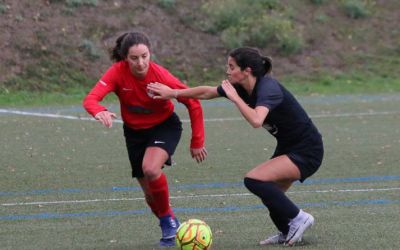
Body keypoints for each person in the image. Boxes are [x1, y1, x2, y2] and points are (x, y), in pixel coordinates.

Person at [147, 47, 324, 246]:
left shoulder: (268, 88)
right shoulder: (239, 86)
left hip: (307, 150)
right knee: (271, 192)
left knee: (254, 180)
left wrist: (235, 98)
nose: (228, 71)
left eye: (232, 67)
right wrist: (173, 92)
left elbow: (257, 120)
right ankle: (286, 230)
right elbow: (206, 92)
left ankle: (299, 218)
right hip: (289, 146)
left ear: (246, 71)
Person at [82, 31, 208, 247]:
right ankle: (168, 221)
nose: (141, 63)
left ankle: (168, 222)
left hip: (164, 127)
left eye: (145, 56)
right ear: (125, 58)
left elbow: (193, 102)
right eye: (134, 58)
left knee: (150, 169)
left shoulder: (161, 76)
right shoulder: (117, 73)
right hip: (134, 134)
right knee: (150, 197)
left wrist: (197, 141)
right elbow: (91, 99)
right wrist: (98, 110)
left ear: (150, 53)